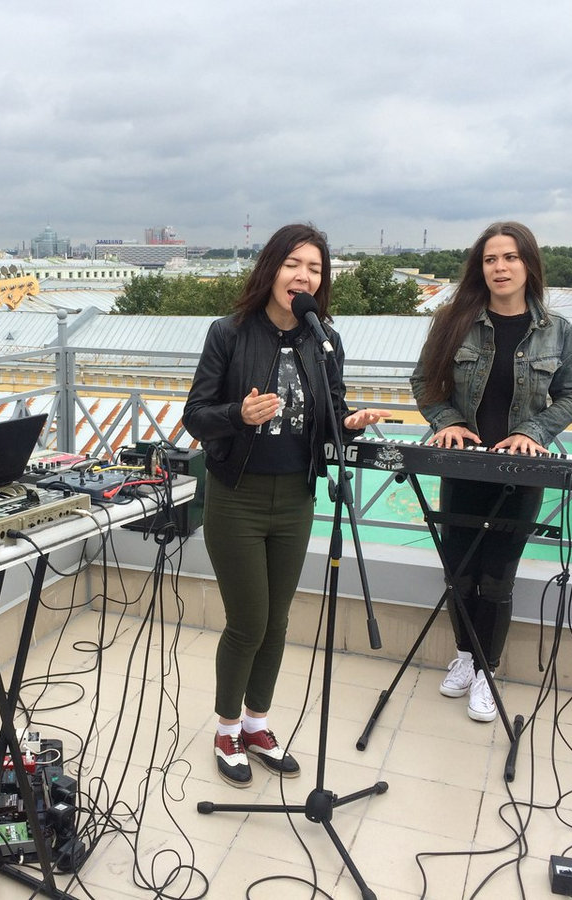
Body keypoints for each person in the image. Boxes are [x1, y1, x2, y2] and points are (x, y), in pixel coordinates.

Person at [182, 223, 390, 787]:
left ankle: (257, 724)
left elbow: (331, 415)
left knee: (277, 621)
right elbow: (195, 415)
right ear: (271, 268)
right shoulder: (228, 332)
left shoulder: (323, 339)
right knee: (248, 621)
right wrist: (238, 415)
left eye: (315, 268)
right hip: (237, 498)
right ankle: (226, 729)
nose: (304, 276)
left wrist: (351, 422)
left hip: (296, 497)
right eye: (293, 264)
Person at [410, 221, 572, 723]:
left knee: (497, 577)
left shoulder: (556, 330)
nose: (500, 268)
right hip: (463, 467)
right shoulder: (453, 321)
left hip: (521, 473)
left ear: (528, 264)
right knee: (459, 571)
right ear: (480, 267)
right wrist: (448, 422)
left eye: (510, 258)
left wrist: (534, 431)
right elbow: (423, 382)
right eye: (490, 259)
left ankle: (487, 670)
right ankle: (466, 657)